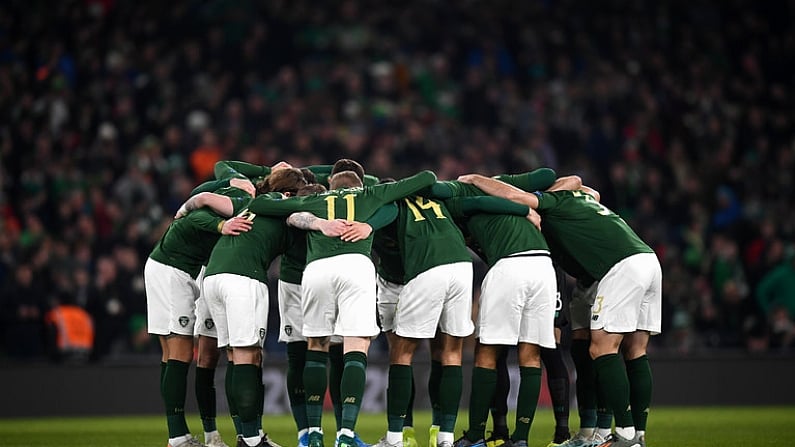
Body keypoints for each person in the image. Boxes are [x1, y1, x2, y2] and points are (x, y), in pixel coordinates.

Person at [194, 169, 437, 447]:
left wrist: (317, 222)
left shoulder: (315, 199)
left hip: (314, 271)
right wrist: (369, 224)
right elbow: (426, 178)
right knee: (355, 347)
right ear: (359, 185)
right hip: (354, 266)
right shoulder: (370, 194)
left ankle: (312, 434)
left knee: (313, 348)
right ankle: (345, 434)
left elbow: (264, 205)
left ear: (330, 184)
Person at [457, 174, 661, 447]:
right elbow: (583, 185)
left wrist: (476, 179)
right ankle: (610, 432)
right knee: (630, 349)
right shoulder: (582, 198)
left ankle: (625, 434)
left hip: (619, 267)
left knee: (602, 348)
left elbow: (516, 196)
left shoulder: (551, 202)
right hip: (642, 260)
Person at [197, 169, 349, 447]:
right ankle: (253, 440)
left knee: (236, 354)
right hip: (242, 277)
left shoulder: (253, 203)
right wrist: (320, 222)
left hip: (213, 276)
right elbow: (298, 215)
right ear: (289, 194)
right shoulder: (282, 209)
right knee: (246, 355)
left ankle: (246, 434)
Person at [145, 181, 254, 447]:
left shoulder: (232, 194)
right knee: (181, 351)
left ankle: (178, 433)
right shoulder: (228, 208)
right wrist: (221, 226)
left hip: (171, 269)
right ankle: (177, 437)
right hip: (172, 272)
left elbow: (217, 179)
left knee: (170, 354)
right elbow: (199, 212)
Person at [370, 189, 477, 447]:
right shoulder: (435, 204)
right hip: (458, 268)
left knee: (402, 353)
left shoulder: (383, 210)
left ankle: (397, 437)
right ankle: (443, 436)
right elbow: (474, 201)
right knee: (450, 353)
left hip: (424, 272)